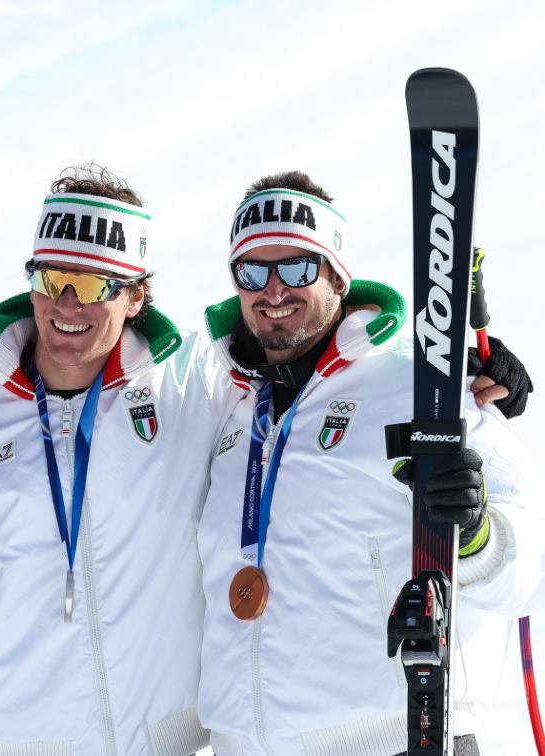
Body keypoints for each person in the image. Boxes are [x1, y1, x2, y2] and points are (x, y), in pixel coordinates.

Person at [195, 170, 545, 755]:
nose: (273, 291)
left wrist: (477, 535)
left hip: (400, 739)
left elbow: (532, 567)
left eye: (298, 269)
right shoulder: (225, 404)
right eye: (252, 272)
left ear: (339, 274)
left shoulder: (422, 384)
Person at [0, 164, 240, 755]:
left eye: (94, 284)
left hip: (160, 744)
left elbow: (306, 358)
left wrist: (459, 399)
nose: (67, 302)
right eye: (52, 277)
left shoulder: (193, 387)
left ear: (136, 296)